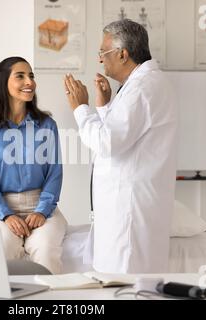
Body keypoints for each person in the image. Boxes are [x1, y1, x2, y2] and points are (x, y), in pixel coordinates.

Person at [63, 19, 177, 274]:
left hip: (130, 211)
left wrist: (81, 108)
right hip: (130, 206)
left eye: (103, 52)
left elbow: (107, 143)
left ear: (122, 54)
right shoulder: (143, 84)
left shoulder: (142, 89)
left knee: (125, 281)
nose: (100, 60)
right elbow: (126, 136)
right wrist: (104, 106)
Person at [0, 57, 67, 275]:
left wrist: (42, 211)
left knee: (45, 248)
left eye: (31, 76)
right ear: (3, 83)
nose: (30, 82)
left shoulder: (47, 125)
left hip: (41, 205)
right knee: (1, 247)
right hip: (0, 208)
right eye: (20, 76)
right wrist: (6, 215)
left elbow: (55, 173)